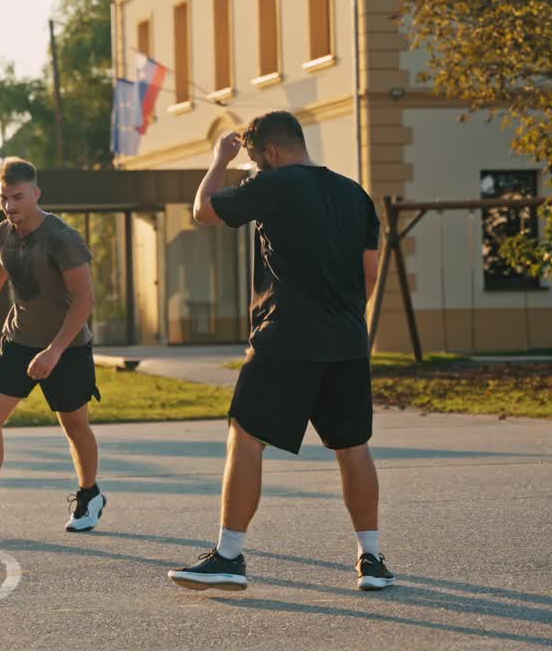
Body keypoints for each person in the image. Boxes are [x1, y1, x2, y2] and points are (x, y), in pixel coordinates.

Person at [167, 111, 395, 592]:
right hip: (348, 340)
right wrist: (344, 318)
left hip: (286, 336)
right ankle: (371, 559)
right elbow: (369, 273)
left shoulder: (276, 183)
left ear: (270, 153)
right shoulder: (354, 194)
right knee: (353, 448)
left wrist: (219, 160)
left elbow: (204, 210)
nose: (254, 167)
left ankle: (229, 557)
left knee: (246, 437)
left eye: (255, 159)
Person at [0, 157, 107, 533]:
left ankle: (90, 495)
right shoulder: (1, 235)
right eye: (4, 198)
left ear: (35, 194)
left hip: (67, 345)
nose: (10, 206)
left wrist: (55, 351)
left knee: (75, 425)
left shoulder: (63, 239)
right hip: (20, 341)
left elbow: (84, 301)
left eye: (18, 197)